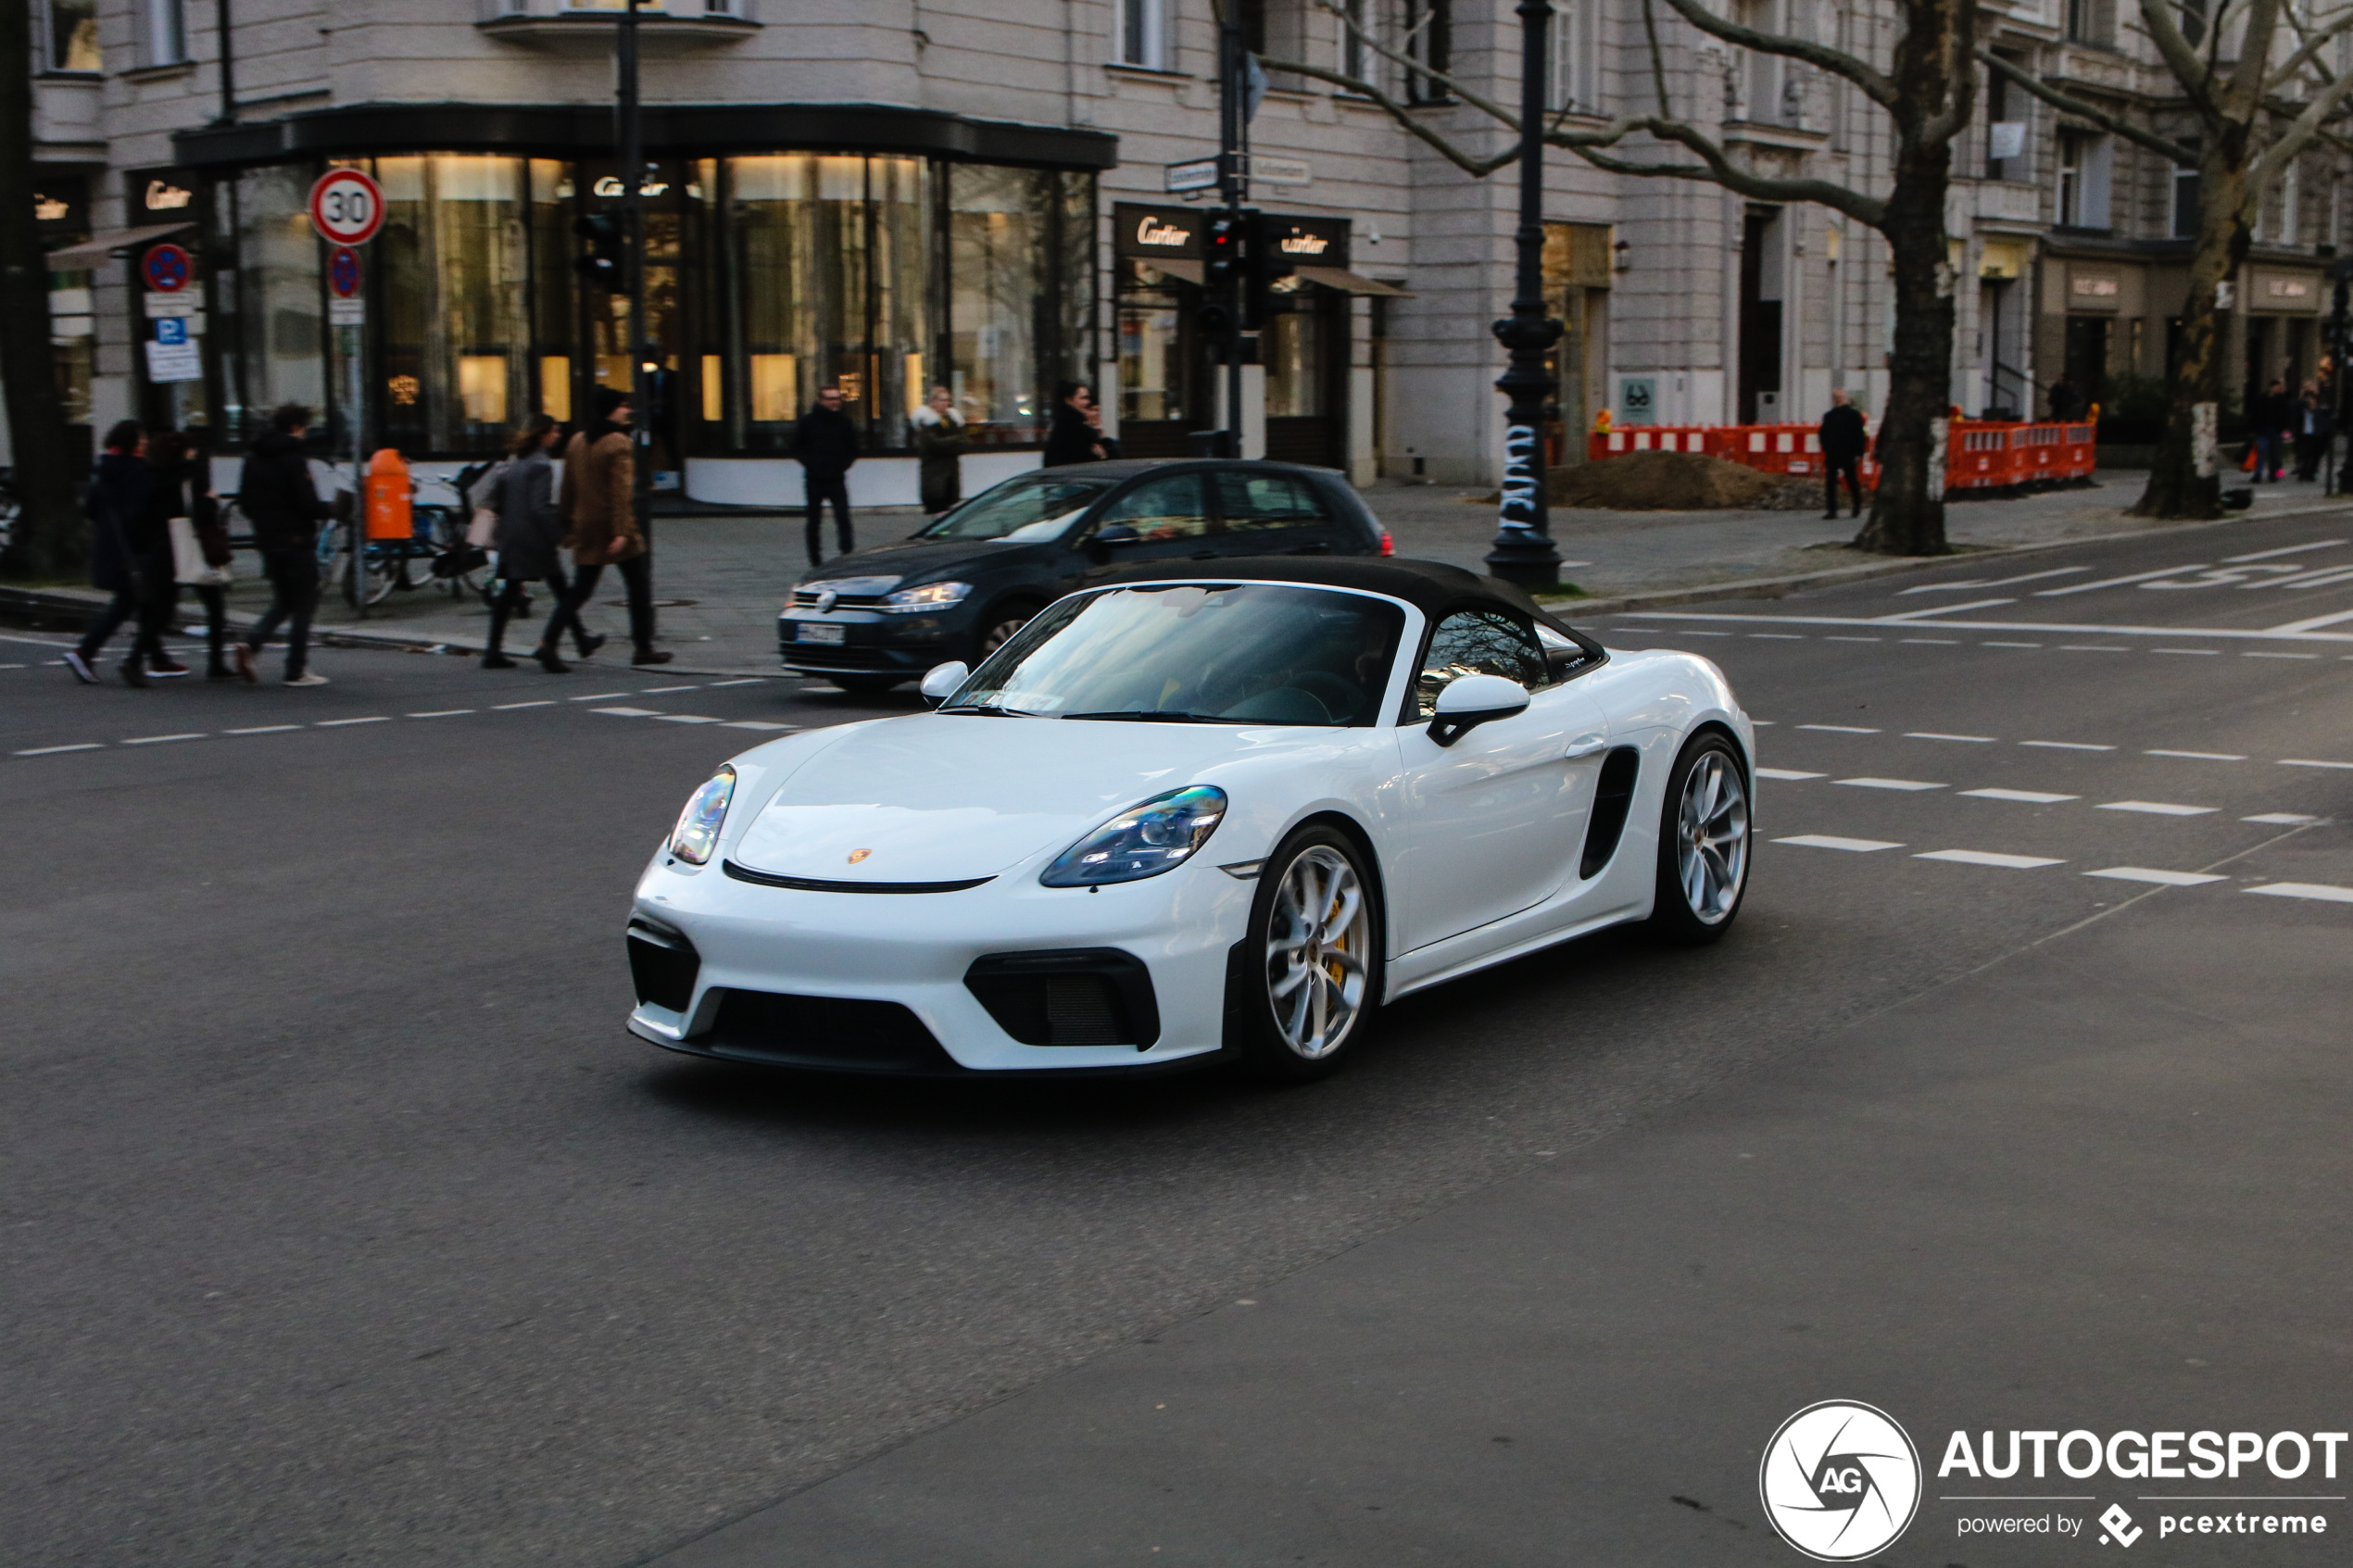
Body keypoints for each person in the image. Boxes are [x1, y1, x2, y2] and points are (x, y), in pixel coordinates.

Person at [559, 387, 672, 666]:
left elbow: (567, 487)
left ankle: (549, 640)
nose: (627, 411)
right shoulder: (619, 442)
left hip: (586, 524)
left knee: (580, 589)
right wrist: (622, 531)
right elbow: (622, 492)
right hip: (615, 527)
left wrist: (565, 523)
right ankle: (643, 647)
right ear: (612, 409)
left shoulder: (576, 441)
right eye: (623, 406)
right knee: (638, 585)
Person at [234, 403, 334, 686]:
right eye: (304, 428)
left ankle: (253, 643)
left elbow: (245, 502)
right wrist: (329, 510)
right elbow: (307, 502)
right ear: (295, 427)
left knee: (284, 599)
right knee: (305, 601)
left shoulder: (254, 456)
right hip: (296, 538)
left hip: (268, 539)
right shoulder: (293, 457)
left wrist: (265, 523)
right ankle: (296, 668)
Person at [483, 412, 590, 673]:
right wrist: (560, 535)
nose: (558, 435)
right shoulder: (541, 465)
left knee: (511, 592)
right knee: (562, 590)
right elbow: (540, 508)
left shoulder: (516, 460)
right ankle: (566, 643)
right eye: (554, 431)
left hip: (511, 535)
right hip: (533, 538)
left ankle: (493, 650)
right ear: (542, 435)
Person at [63, 420, 161, 686]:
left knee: (132, 603)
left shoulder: (105, 468)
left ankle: (148, 658)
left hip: (109, 545)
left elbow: (91, 508)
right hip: (133, 549)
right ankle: (89, 652)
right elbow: (139, 513)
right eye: (141, 437)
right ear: (133, 441)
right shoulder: (139, 471)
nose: (145, 442)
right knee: (139, 604)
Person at [145, 428, 233, 679]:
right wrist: (212, 502)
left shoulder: (153, 476)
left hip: (163, 546)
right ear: (185, 451)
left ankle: (137, 654)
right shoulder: (193, 474)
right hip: (192, 545)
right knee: (214, 605)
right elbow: (204, 511)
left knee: (163, 607)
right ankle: (216, 663)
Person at [793, 384, 860, 566]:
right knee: (814, 521)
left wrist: (841, 466)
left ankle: (847, 556)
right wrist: (812, 465)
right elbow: (797, 448)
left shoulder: (845, 422)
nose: (834, 402)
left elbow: (853, 449)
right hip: (814, 479)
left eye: (837, 398)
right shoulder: (807, 422)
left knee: (843, 519)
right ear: (821, 400)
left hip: (836, 478)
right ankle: (815, 559)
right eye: (830, 399)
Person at [911, 384, 967, 516]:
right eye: (942, 400)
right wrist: (954, 440)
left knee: (948, 512)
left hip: (951, 476)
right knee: (938, 512)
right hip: (934, 476)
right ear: (933, 402)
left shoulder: (954, 420)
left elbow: (964, 443)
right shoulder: (926, 421)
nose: (946, 403)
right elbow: (932, 445)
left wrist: (949, 443)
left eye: (947, 400)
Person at [1818, 388, 1869, 520]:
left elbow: (1860, 435)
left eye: (1840, 397)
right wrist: (1826, 447)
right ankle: (1832, 510)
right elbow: (1823, 434)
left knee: (1851, 480)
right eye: (1836, 397)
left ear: (1845, 398)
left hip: (1848, 453)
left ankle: (1856, 506)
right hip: (1836, 453)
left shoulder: (1853, 415)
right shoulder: (1830, 416)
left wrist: (1859, 453)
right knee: (1831, 482)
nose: (1838, 399)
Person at [1041, 382, 1108, 467]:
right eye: (1083, 398)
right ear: (1069, 400)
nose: (1088, 402)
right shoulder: (1072, 430)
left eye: (1088, 398)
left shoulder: (1066, 426)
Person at [2251, 377, 2290, 482]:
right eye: (2276, 387)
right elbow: (2256, 414)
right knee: (2261, 451)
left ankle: (2272, 474)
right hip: (2264, 429)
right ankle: (2258, 474)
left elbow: (2285, 414)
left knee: (2274, 453)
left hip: (2276, 429)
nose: (2278, 389)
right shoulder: (2261, 398)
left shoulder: (2281, 399)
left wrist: (2285, 428)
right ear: (2271, 387)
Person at [2294, 383, 2334, 483]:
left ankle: (2309, 473)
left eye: (2312, 400)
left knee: (2314, 456)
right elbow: (2294, 407)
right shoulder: (2303, 412)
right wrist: (2302, 395)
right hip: (2306, 436)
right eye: (2309, 401)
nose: (2310, 402)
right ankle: (2304, 473)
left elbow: (2328, 413)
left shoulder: (2320, 411)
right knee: (2306, 455)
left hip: (2316, 436)